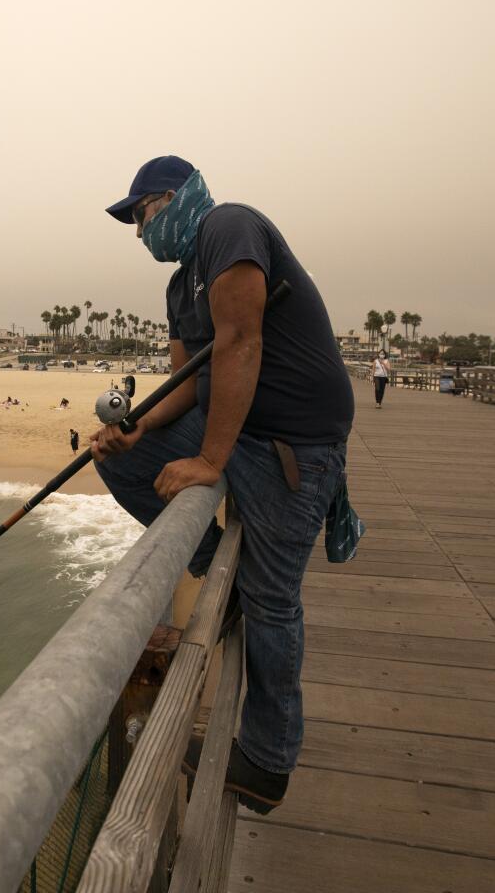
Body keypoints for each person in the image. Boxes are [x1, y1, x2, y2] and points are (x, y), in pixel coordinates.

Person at [94, 155, 353, 814]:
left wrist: (210, 461)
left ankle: (266, 763)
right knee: (121, 458)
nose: (139, 230)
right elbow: (187, 385)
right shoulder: (183, 286)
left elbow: (240, 339)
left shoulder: (227, 227)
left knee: (273, 599)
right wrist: (137, 427)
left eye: (143, 212)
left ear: (177, 198)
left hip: (294, 443)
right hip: (239, 431)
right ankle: (218, 573)